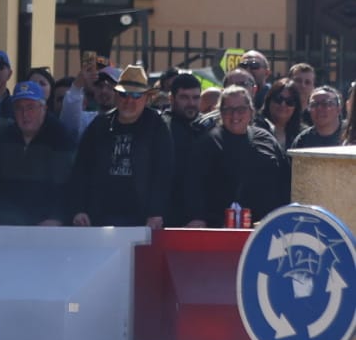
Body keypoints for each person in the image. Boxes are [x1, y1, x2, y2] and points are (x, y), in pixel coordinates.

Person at [68, 64, 172, 229]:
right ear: (116, 95)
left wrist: (156, 211)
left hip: (141, 218)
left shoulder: (157, 127)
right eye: (124, 94)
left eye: (136, 95)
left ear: (146, 98)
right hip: (100, 216)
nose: (129, 100)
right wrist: (79, 209)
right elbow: (81, 170)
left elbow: (164, 174)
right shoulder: (99, 125)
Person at [184, 84, 290, 227]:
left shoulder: (266, 139)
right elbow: (194, 186)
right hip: (221, 229)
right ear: (220, 112)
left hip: (265, 228)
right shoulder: (207, 143)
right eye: (228, 110)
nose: (235, 115)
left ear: (251, 111)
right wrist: (197, 217)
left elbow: (285, 179)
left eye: (241, 109)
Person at [0, 81, 74, 226]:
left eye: (30, 107)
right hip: (7, 222)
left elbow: (65, 186)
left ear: (44, 108)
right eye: (19, 108)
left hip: (45, 224)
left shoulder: (60, 137)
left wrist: (56, 218)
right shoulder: (4, 137)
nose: (25, 114)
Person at [164, 72, 209, 223]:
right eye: (184, 97)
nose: (191, 103)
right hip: (168, 219)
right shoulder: (161, 128)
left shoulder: (208, 128)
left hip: (203, 220)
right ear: (172, 98)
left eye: (195, 97)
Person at [256, 77, 305, 149]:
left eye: (289, 101)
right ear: (269, 101)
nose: (283, 104)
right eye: (278, 99)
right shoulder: (255, 128)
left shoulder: (302, 135)